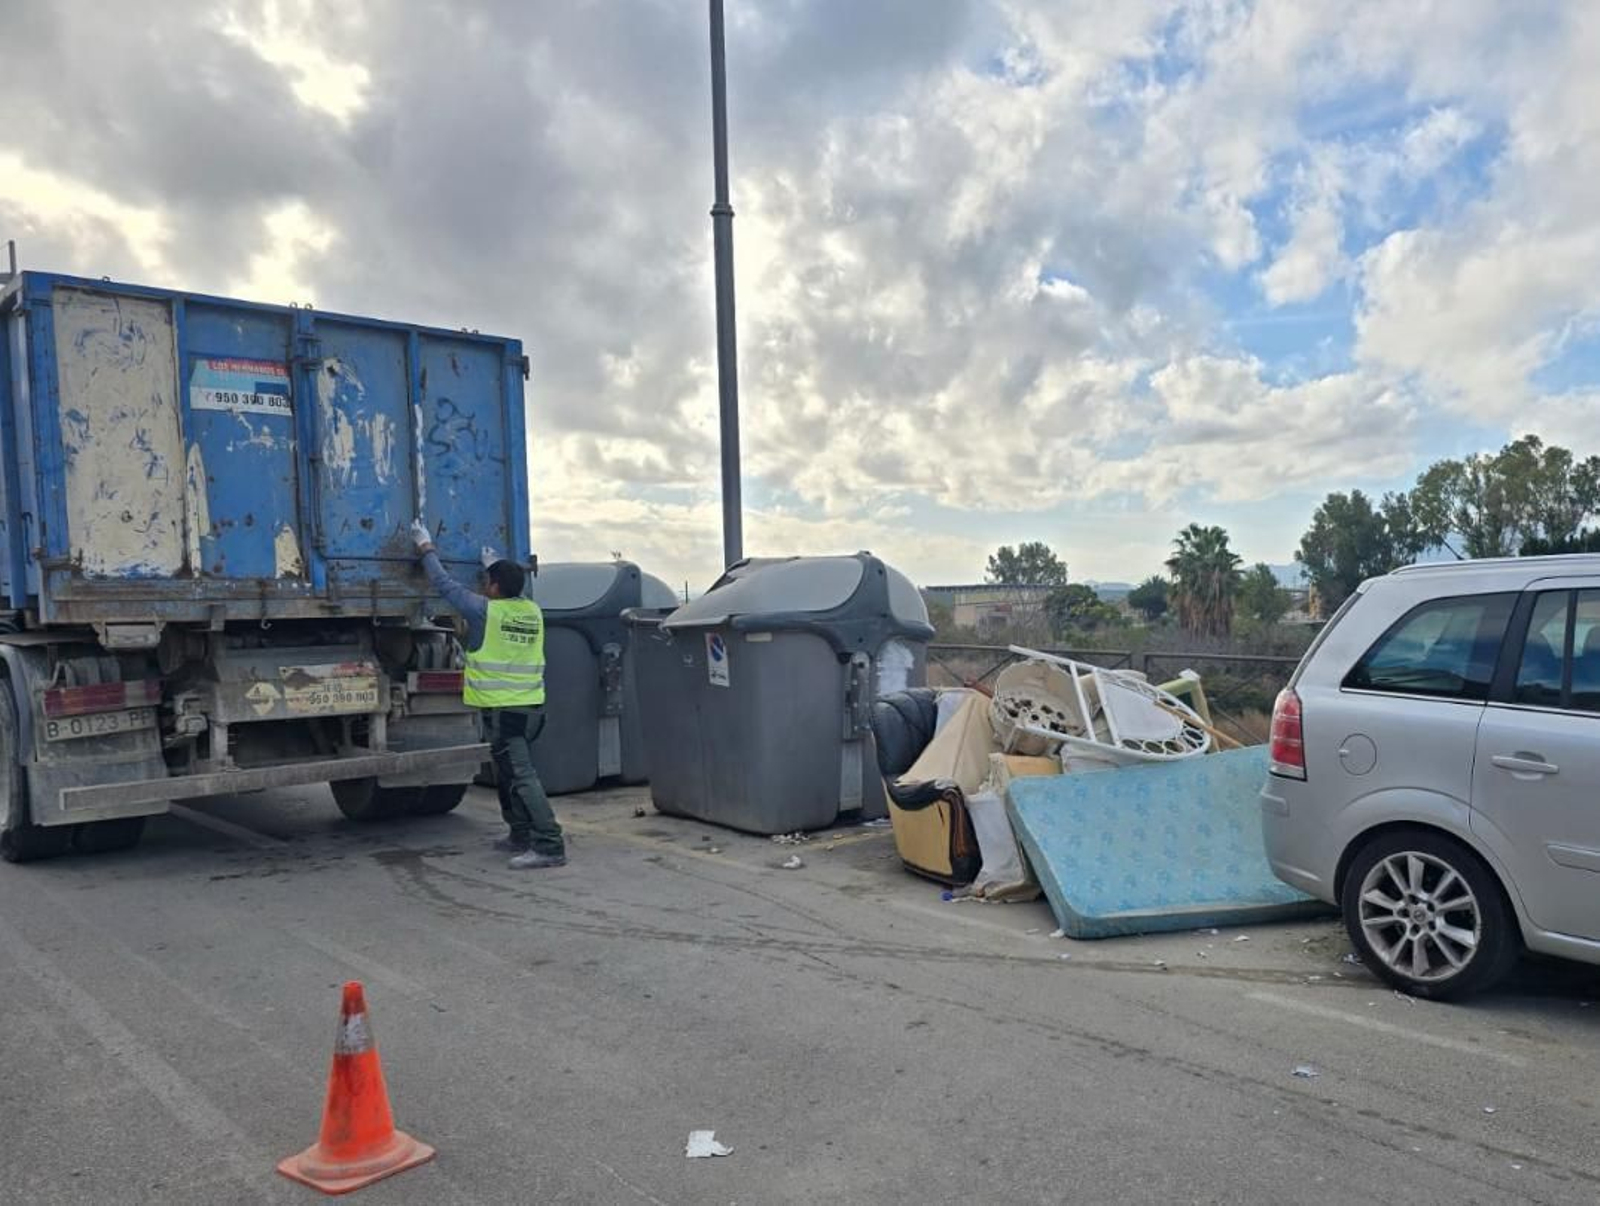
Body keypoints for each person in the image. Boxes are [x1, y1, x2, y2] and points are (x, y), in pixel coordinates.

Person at [410, 519, 566, 870]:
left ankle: (550, 844)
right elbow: (514, 590)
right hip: (528, 707)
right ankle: (521, 834)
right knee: (510, 774)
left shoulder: (486, 612)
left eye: (487, 582)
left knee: (522, 776)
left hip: (505, 711)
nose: (483, 586)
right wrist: (492, 566)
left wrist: (426, 549)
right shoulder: (531, 611)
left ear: (494, 588)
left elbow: (445, 586)